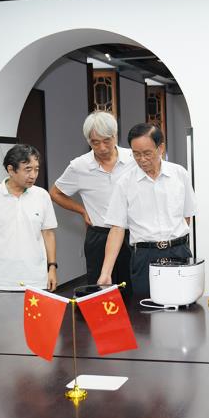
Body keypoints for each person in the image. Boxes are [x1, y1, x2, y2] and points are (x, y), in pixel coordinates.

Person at [97, 123, 196, 296]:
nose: (142, 159)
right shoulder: (125, 183)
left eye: (147, 153)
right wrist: (106, 272)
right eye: (136, 154)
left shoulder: (179, 174)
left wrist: (173, 240)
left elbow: (187, 216)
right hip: (144, 256)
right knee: (146, 307)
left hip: (179, 252)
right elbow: (117, 228)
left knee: (183, 304)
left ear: (161, 148)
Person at [49, 111, 136, 292]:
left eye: (106, 141)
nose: (102, 148)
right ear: (88, 141)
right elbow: (56, 193)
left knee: (134, 289)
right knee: (99, 291)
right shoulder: (79, 166)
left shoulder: (133, 159)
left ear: (115, 135)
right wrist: (82, 210)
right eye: (95, 142)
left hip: (133, 235)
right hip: (99, 237)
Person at [0, 144, 58, 296]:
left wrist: (52, 267)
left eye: (36, 169)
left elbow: (48, 233)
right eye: (28, 169)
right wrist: (2, 249)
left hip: (35, 280)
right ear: (11, 170)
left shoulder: (42, 196)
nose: (33, 175)